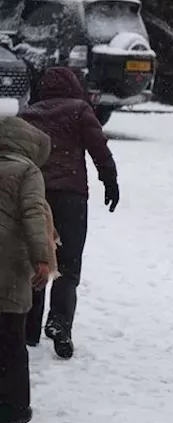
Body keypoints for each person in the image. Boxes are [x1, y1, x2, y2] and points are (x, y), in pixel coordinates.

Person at [18, 67, 119, 360]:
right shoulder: (79, 110)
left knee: (35, 260)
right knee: (69, 264)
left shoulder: (28, 115)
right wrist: (109, 180)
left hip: (36, 196)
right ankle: (60, 323)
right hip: (72, 198)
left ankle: (29, 328)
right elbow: (99, 148)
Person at [0, 116, 53, 423]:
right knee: (11, 338)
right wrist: (42, 258)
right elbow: (34, 212)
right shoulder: (27, 171)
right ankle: (13, 407)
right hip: (11, 260)